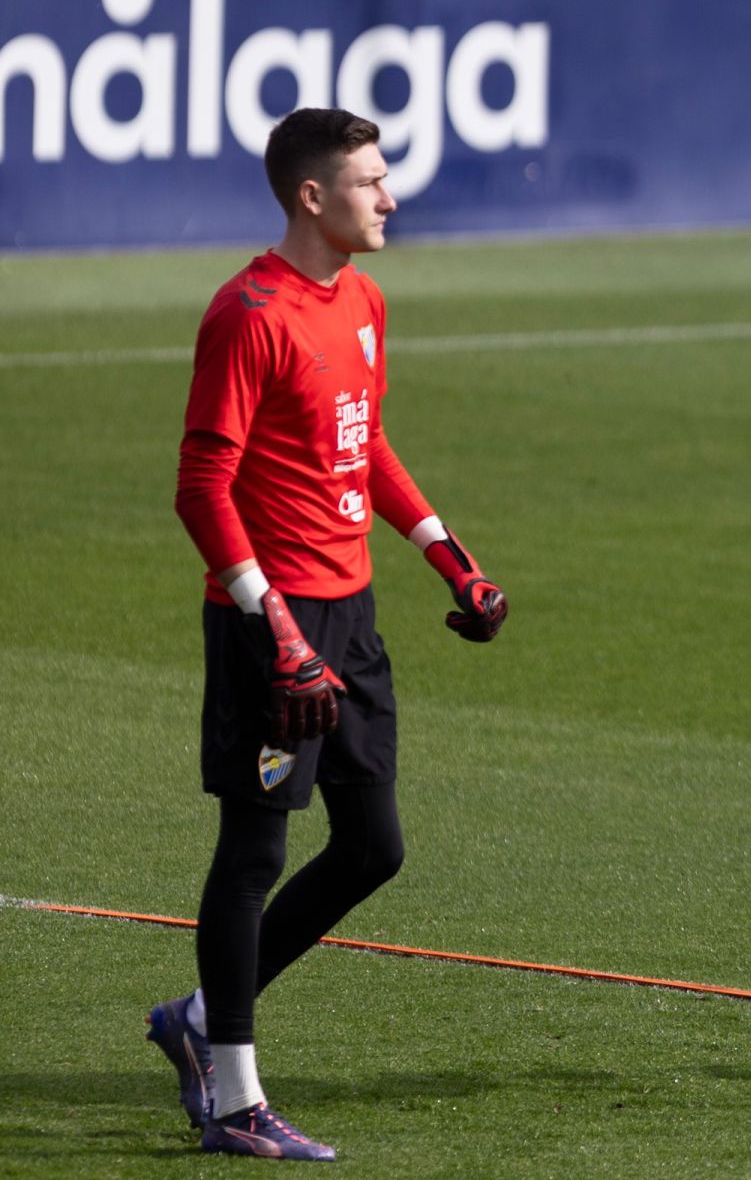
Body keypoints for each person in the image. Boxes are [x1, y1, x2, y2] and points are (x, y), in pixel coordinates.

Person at [148, 108, 508, 1161]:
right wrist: (277, 626)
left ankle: (201, 1018)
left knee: (372, 845)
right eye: (369, 179)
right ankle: (231, 1100)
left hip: (348, 618)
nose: (389, 195)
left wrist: (448, 553)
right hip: (274, 622)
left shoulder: (363, 300)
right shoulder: (247, 312)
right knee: (254, 850)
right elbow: (200, 488)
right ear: (313, 196)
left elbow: (365, 439)